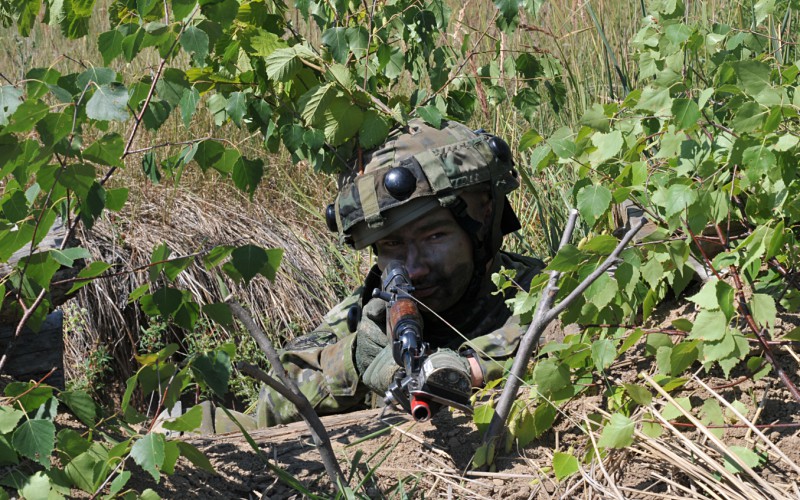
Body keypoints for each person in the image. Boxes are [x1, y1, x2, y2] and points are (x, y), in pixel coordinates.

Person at [245, 118, 546, 428]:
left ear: (484, 216)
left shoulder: (538, 293)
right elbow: (272, 403)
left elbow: (562, 339)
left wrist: (471, 368)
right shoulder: (369, 313)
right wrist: (354, 359)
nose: (414, 268)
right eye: (391, 244)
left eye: (434, 236)